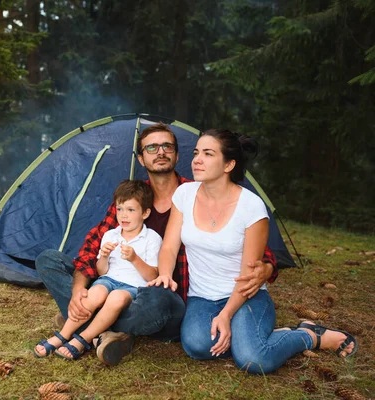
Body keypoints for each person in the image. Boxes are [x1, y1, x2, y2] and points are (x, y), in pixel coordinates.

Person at [36, 122, 278, 366]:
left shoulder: (196, 192)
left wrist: (267, 267)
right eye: (151, 148)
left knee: (157, 298)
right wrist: (79, 291)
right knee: (50, 260)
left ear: (176, 154)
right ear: (141, 159)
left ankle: (86, 322)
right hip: (115, 286)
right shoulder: (133, 198)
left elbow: (248, 249)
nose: (160, 152)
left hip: (163, 299)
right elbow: (94, 245)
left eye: (166, 146)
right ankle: (101, 325)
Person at [149, 129, 357, 374]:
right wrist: (164, 273)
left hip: (246, 294)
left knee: (253, 359)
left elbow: (250, 275)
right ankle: (249, 335)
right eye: (196, 153)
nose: (197, 159)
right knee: (196, 346)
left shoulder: (251, 206)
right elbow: (170, 246)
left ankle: (309, 335)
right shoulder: (184, 194)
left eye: (208, 154)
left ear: (229, 164)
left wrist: (226, 315)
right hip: (201, 297)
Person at [34, 180, 162, 361]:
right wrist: (103, 256)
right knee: (93, 294)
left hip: (133, 287)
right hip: (109, 279)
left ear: (146, 213)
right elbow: (102, 272)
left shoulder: (152, 238)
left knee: (116, 297)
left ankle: (82, 340)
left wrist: (134, 258)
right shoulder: (111, 235)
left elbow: (152, 275)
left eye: (131, 210)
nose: (124, 215)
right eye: (120, 209)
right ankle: (62, 335)